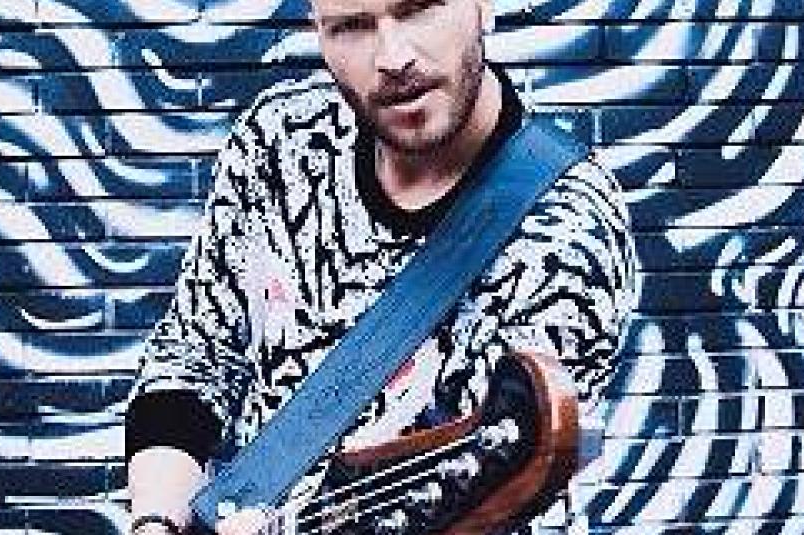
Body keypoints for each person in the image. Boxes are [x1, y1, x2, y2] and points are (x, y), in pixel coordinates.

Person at [124, 0, 638, 533]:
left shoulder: (567, 226)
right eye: (351, 25)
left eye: (418, 9)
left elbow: (495, 481)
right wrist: (157, 521)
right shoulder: (279, 141)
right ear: (317, 32)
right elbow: (195, 353)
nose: (392, 57)